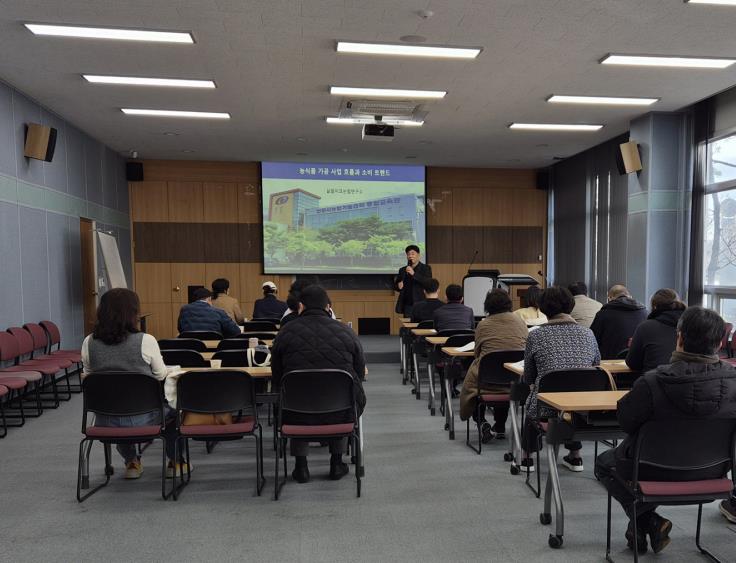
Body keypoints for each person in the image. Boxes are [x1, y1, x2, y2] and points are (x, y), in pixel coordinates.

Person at [595, 307, 736, 554]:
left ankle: (647, 520)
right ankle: (647, 523)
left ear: (679, 338)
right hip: (713, 472)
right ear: (720, 342)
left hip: (650, 469)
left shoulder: (652, 382)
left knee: (604, 463)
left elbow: (625, 422)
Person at [81, 288, 182, 479]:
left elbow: (88, 375)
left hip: (105, 421)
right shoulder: (146, 340)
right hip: (143, 420)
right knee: (176, 411)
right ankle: (176, 462)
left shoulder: (89, 342)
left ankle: (132, 462)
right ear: (133, 312)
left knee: (119, 404)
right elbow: (160, 375)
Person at [270, 285, 366, 484]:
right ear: (328, 307)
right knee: (345, 395)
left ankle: (301, 466)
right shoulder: (345, 331)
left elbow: (276, 374)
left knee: (294, 397)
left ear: (301, 306)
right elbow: (359, 371)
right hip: (340, 407)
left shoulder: (286, 332)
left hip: (295, 408)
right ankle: (337, 463)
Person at [522, 286, 601, 472]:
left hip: (545, 408)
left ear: (543, 308)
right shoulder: (588, 333)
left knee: (533, 400)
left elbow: (529, 376)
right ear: (571, 306)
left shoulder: (535, 335)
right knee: (574, 392)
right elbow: (596, 365)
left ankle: (527, 458)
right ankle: (575, 456)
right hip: (582, 408)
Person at [460, 289, 528, 441]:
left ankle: (482, 422)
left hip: (486, 381)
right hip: (514, 380)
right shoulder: (520, 322)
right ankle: (500, 426)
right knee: (504, 382)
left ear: (488, 306)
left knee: (473, 387)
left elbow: (477, 353)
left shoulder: (483, 325)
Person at [626, 289, 687, 373]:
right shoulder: (690, 326)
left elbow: (633, 363)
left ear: (654, 307)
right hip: (688, 378)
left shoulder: (645, 327)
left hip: (654, 378)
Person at [590, 284, 647, 359]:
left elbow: (592, 340)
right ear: (630, 296)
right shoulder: (644, 312)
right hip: (638, 360)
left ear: (610, 298)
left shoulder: (603, 314)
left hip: (609, 361)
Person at [394, 244, 433, 318]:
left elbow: (428, 283)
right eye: (408, 254)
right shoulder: (402, 270)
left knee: (421, 324)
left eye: (413, 254)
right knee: (407, 324)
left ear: (418, 255)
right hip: (407, 305)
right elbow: (396, 285)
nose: (410, 256)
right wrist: (398, 286)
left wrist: (414, 274)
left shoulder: (426, 268)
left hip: (421, 303)